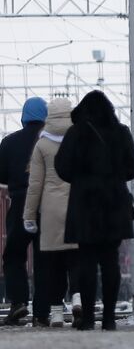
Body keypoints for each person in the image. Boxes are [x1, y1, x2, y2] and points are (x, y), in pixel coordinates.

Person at [54, 91, 134, 331]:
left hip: (85, 206)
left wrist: (83, 178)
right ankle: (109, 319)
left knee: (87, 263)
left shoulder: (76, 133)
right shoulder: (121, 133)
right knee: (111, 262)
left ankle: (89, 319)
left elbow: (62, 168)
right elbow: (132, 169)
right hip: (113, 205)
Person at [22, 98, 79, 327]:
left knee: (54, 264)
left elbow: (35, 184)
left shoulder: (41, 144)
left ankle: (56, 312)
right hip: (77, 207)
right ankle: (78, 298)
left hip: (51, 211)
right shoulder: (80, 138)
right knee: (77, 260)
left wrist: (28, 215)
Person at [1, 97, 47, 324]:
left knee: (14, 255)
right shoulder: (51, 142)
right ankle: (43, 310)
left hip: (20, 203)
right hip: (47, 206)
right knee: (44, 257)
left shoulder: (9, 142)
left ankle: (18, 303)